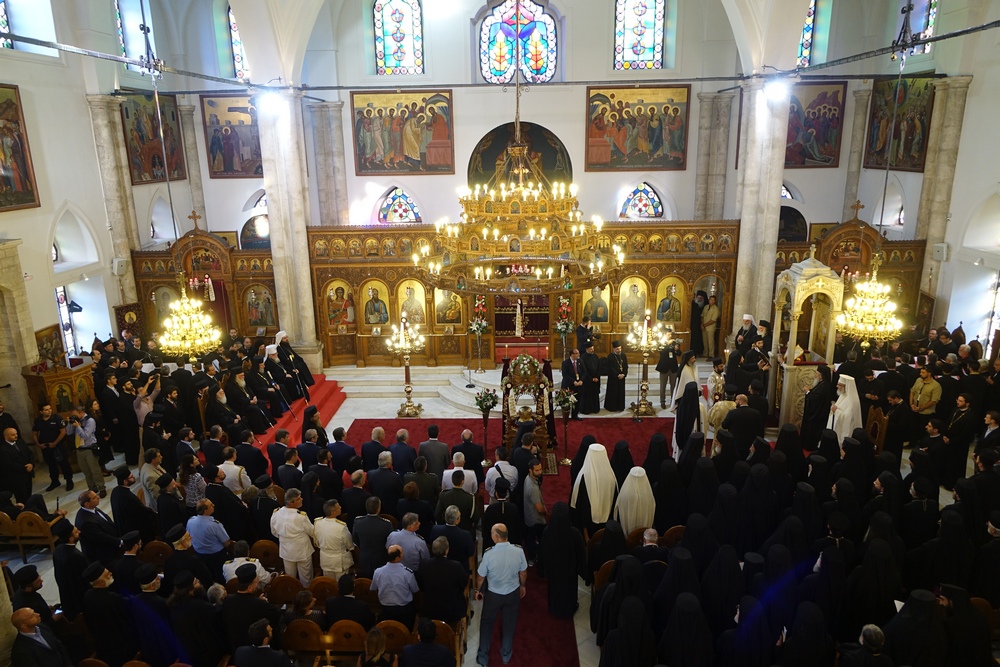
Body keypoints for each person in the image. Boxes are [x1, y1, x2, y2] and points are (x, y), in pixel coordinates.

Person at [476, 524, 528, 666]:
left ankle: (483, 657)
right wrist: (522, 586)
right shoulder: (518, 551)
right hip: (512, 593)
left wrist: (478, 590)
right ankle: (506, 653)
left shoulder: (489, 554)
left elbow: (481, 577)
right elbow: (523, 572)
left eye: (492, 533)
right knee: (509, 623)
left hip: (493, 595)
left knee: (486, 624)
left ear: (496, 536)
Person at [539, 502, 588, 617]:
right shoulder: (575, 534)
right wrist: (584, 571)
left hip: (553, 571)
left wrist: (542, 569)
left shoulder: (547, 532)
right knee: (569, 591)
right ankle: (569, 609)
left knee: (554, 590)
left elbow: (542, 553)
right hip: (569, 571)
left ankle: (554, 609)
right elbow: (580, 554)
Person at [416, 536, 468, 626]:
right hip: (451, 611)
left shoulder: (424, 564)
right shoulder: (456, 566)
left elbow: (420, 585)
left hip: (429, 608)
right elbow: (464, 583)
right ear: (447, 550)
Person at [571, 442, 618, 537]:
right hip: (606, 521)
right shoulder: (611, 476)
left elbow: (579, 501)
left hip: (587, 522)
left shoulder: (584, 476)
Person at [270, 488, 316, 585]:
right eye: (299, 499)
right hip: (302, 550)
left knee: (290, 578)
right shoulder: (301, 516)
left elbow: (274, 532)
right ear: (291, 502)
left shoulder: (276, 513)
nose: (302, 499)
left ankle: (291, 595)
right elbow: (312, 532)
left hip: (286, 551)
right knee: (306, 578)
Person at [371, 545, 419, 629]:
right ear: (397, 558)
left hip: (386, 609)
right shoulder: (407, 573)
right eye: (402, 552)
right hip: (405, 610)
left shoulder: (378, 572)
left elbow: (373, 589)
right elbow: (415, 590)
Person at [64, 405, 106, 497]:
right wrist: (70, 424)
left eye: (75, 415)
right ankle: (92, 488)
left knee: (95, 470)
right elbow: (69, 433)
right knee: (86, 471)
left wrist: (78, 427)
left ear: (81, 413)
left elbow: (86, 435)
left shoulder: (89, 421)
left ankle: (101, 487)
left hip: (89, 448)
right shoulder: (75, 421)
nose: (73, 416)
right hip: (79, 449)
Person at [32, 403, 73, 492]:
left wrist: (55, 443)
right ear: (41, 411)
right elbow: (34, 433)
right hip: (45, 446)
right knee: (51, 465)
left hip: (58, 446)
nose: (49, 411)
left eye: (50, 408)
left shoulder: (56, 418)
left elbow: (63, 432)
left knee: (63, 463)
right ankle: (55, 481)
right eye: (46, 410)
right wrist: (38, 444)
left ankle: (69, 480)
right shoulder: (38, 421)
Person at [110, 466, 156, 544]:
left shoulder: (115, 491)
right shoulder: (128, 497)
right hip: (133, 530)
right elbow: (142, 512)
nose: (134, 477)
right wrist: (154, 513)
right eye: (131, 477)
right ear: (125, 481)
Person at [802, 365, 835, 451]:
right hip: (818, 413)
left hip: (817, 415)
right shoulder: (823, 384)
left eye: (816, 373)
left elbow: (815, 400)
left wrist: (808, 392)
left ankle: (809, 446)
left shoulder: (825, 386)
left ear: (821, 376)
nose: (815, 375)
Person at [614, 466, 655, 534]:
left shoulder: (624, 494)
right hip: (643, 533)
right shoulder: (649, 496)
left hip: (625, 532)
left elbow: (619, 511)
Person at [522, 458, 547, 565]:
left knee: (530, 537)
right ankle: (533, 558)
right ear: (530, 470)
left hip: (529, 515)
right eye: (536, 470)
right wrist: (545, 511)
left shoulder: (529, 479)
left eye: (540, 469)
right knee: (535, 539)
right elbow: (539, 508)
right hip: (535, 519)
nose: (539, 472)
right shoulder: (532, 488)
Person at [828, 375, 863, 443]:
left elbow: (849, 418)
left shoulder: (853, 400)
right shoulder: (843, 395)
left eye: (840, 385)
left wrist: (836, 411)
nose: (837, 386)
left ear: (846, 387)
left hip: (847, 429)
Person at [561, 348, 586, 420]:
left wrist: (581, 380)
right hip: (569, 385)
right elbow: (565, 375)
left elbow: (584, 372)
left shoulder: (580, 361)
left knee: (577, 401)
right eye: (577, 353)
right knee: (567, 402)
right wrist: (573, 382)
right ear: (572, 354)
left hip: (579, 385)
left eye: (578, 353)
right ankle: (566, 415)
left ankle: (575, 415)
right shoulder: (565, 363)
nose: (578, 354)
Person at [656, 339, 681, 410]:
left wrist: (676, 349)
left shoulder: (674, 343)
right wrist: (667, 344)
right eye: (668, 334)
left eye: (670, 334)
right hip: (664, 367)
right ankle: (662, 401)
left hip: (673, 367)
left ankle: (673, 401)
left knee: (673, 385)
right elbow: (662, 352)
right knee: (663, 385)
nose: (670, 336)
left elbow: (679, 353)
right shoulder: (661, 342)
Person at [604, 340, 629, 412]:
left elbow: (626, 366)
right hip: (613, 378)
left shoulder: (623, 355)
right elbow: (610, 368)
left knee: (620, 392)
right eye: (617, 349)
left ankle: (620, 407)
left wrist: (624, 374)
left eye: (620, 348)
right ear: (614, 349)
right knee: (613, 392)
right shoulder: (610, 356)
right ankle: (612, 407)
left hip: (622, 378)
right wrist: (617, 375)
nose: (619, 350)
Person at [580, 343, 602, 414]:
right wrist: (591, 379)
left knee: (595, 394)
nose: (592, 350)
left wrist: (597, 377)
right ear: (586, 349)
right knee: (587, 395)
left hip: (596, 379)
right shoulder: (583, 357)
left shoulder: (595, 356)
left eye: (593, 348)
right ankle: (587, 410)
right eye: (590, 349)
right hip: (588, 381)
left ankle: (595, 409)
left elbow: (599, 367)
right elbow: (584, 370)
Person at [701, 294, 720, 358]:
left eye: (712, 300)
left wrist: (704, 325)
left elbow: (713, 320)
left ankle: (711, 355)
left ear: (714, 301)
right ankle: (705, 353)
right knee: (705, 342)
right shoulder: (706, 307)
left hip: (710, 328)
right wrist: (702, 324)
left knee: (710, 342)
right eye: (710, 299)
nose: (711, 301)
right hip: (704, 327)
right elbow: (702, 316)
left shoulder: (715, 309)